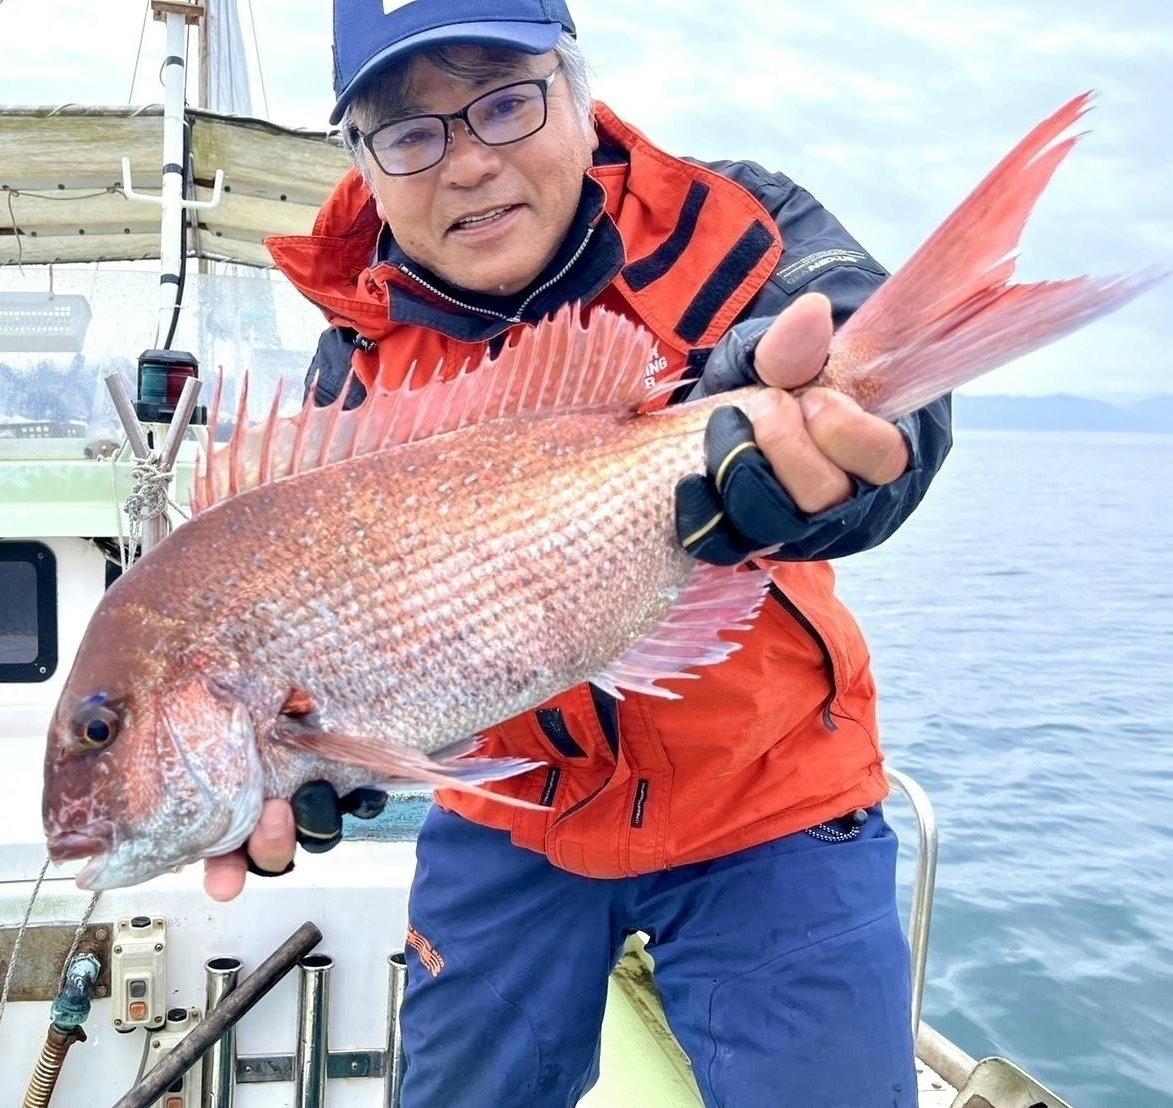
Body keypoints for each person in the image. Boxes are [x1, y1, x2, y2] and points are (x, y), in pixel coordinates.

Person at [203, 2, 951, 1105]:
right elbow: (349, 641)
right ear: (361, 161)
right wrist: (342, 753)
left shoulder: (737, 227)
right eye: (408, 135)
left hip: (769, 794)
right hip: (513, 817)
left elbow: (887, 383)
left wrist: (814, 457)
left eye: (503, 102)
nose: (465, 164)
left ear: (577, 90)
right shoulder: (352, 362)